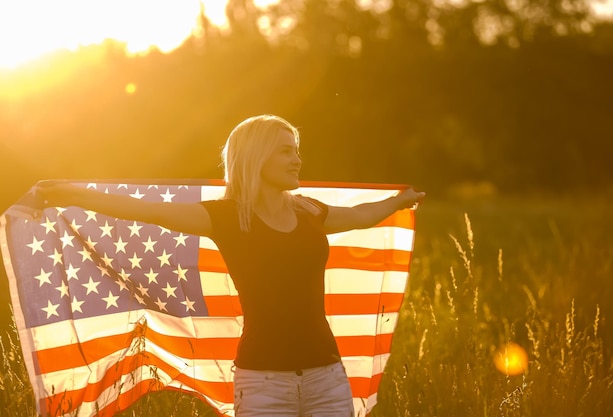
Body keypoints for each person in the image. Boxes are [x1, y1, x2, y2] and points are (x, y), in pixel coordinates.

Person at [37, 114, 425, 417]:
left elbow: (360, 216)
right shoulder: (226, 218)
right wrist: (73, 194)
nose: (297, 159)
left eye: (296, 150)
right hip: (263, 383)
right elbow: (148, 211)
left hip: (327, 376)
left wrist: (397, 201)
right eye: (286, 151)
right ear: (256, 157)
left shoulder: (309, 212)